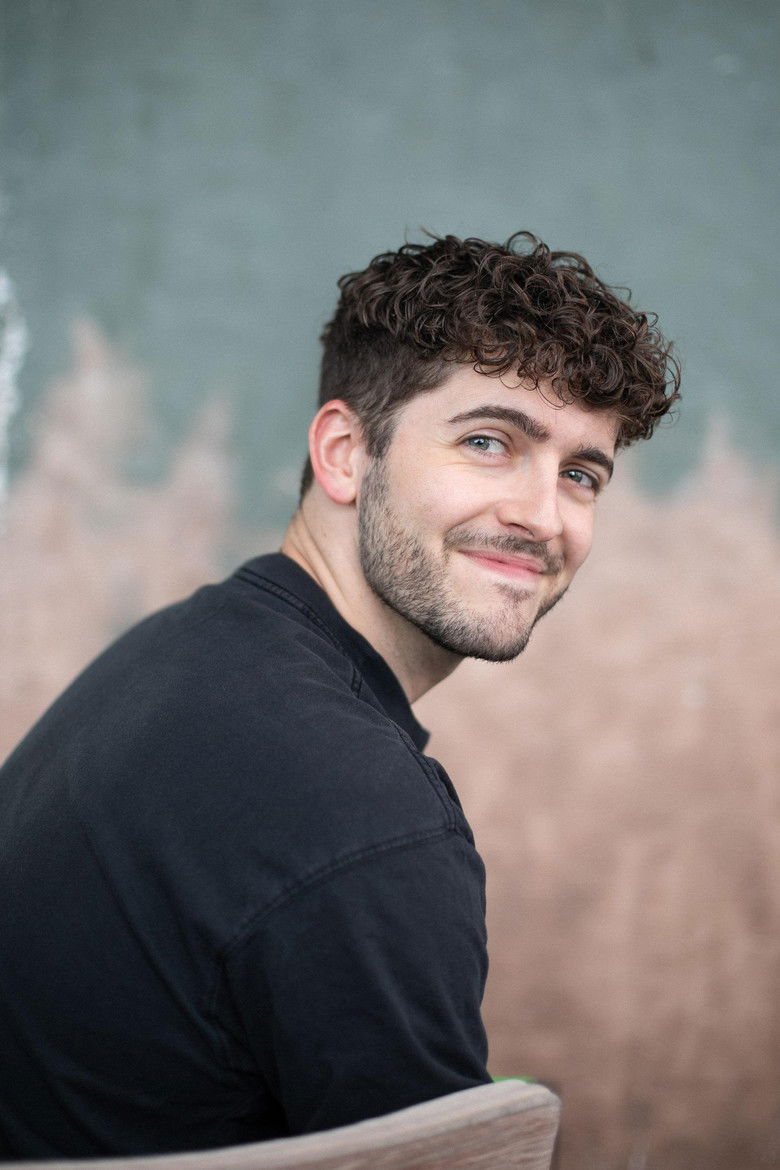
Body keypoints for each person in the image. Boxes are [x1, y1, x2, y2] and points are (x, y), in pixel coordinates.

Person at [0, 233, 679, 1158]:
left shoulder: (190, 647)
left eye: (580, 474)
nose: (542, 516)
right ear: (346, 453)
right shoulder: (362, 820)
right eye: (488, 442)